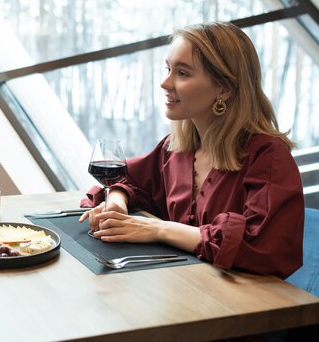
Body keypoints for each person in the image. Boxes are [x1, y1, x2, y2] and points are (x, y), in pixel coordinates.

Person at [80, 21, 304, 280]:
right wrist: (117, 203)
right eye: (168, 69)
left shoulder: (268, 157)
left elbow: (264, 247)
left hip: (245, 307)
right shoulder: (174, 149)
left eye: (182, 73)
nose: (165, 83)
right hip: (186, 291)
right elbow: (126, 178)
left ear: (225, 88)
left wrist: (158, 229)